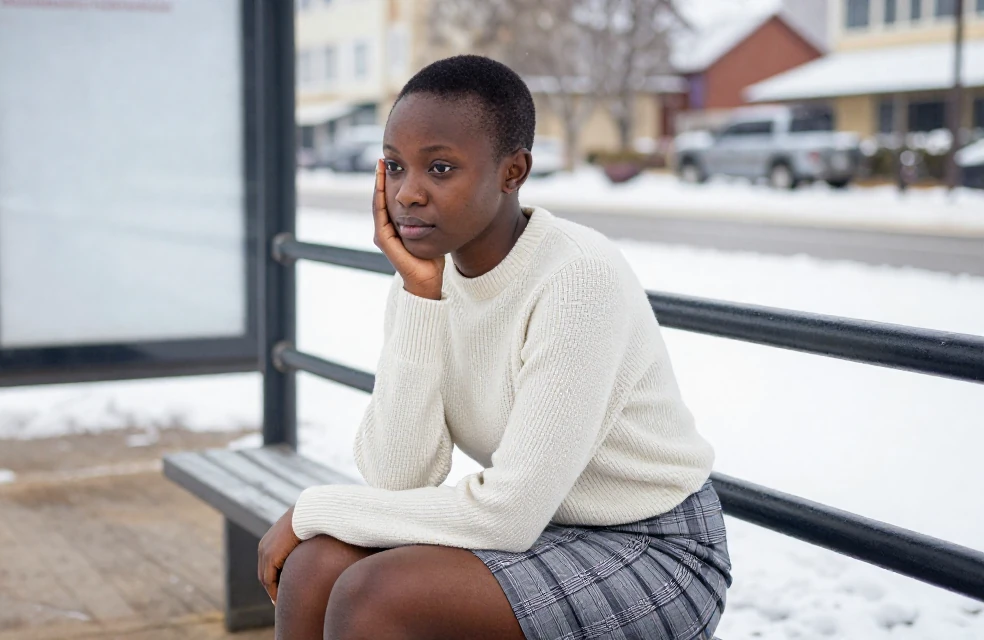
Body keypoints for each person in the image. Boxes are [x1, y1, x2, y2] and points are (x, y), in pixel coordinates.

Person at [257, 54, 732, 640]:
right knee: (318, 566)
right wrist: (420, 296)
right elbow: (397, 478)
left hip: (653, 545)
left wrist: (313, 509)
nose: (408, 194)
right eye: (395, 166)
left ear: (513, 171)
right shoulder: (426, 279)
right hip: (540, 528)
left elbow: (505, 514)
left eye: (439, 168)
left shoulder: (577, 279)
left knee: (373, 596)